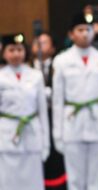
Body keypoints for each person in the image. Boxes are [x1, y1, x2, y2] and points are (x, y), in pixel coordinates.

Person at [52, 12, 98, 190]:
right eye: (80, 30)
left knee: (97, 180)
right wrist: (58, 134)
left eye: (88, 29)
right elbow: (57, 100)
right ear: (71, 34)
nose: (85, 33)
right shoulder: (61, 60)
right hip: (72, 124)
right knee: (75, 181)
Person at [0, 33, 50, 190]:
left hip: (32, 134)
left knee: (32, 182)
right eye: (11, 50)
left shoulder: (35, 76)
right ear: (4, 53)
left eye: (20, 49)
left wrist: (45, 143)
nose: (16, 54)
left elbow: (42, 112)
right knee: (8, 181)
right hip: (7, 136)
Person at [31, 32, 67, 190]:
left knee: (56, 159)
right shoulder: (27, 68)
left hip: (55, 117)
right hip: (34, 119)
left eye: (44, 43)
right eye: (36, 43)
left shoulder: (59, 66)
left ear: (52, 48)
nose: (39, 46)